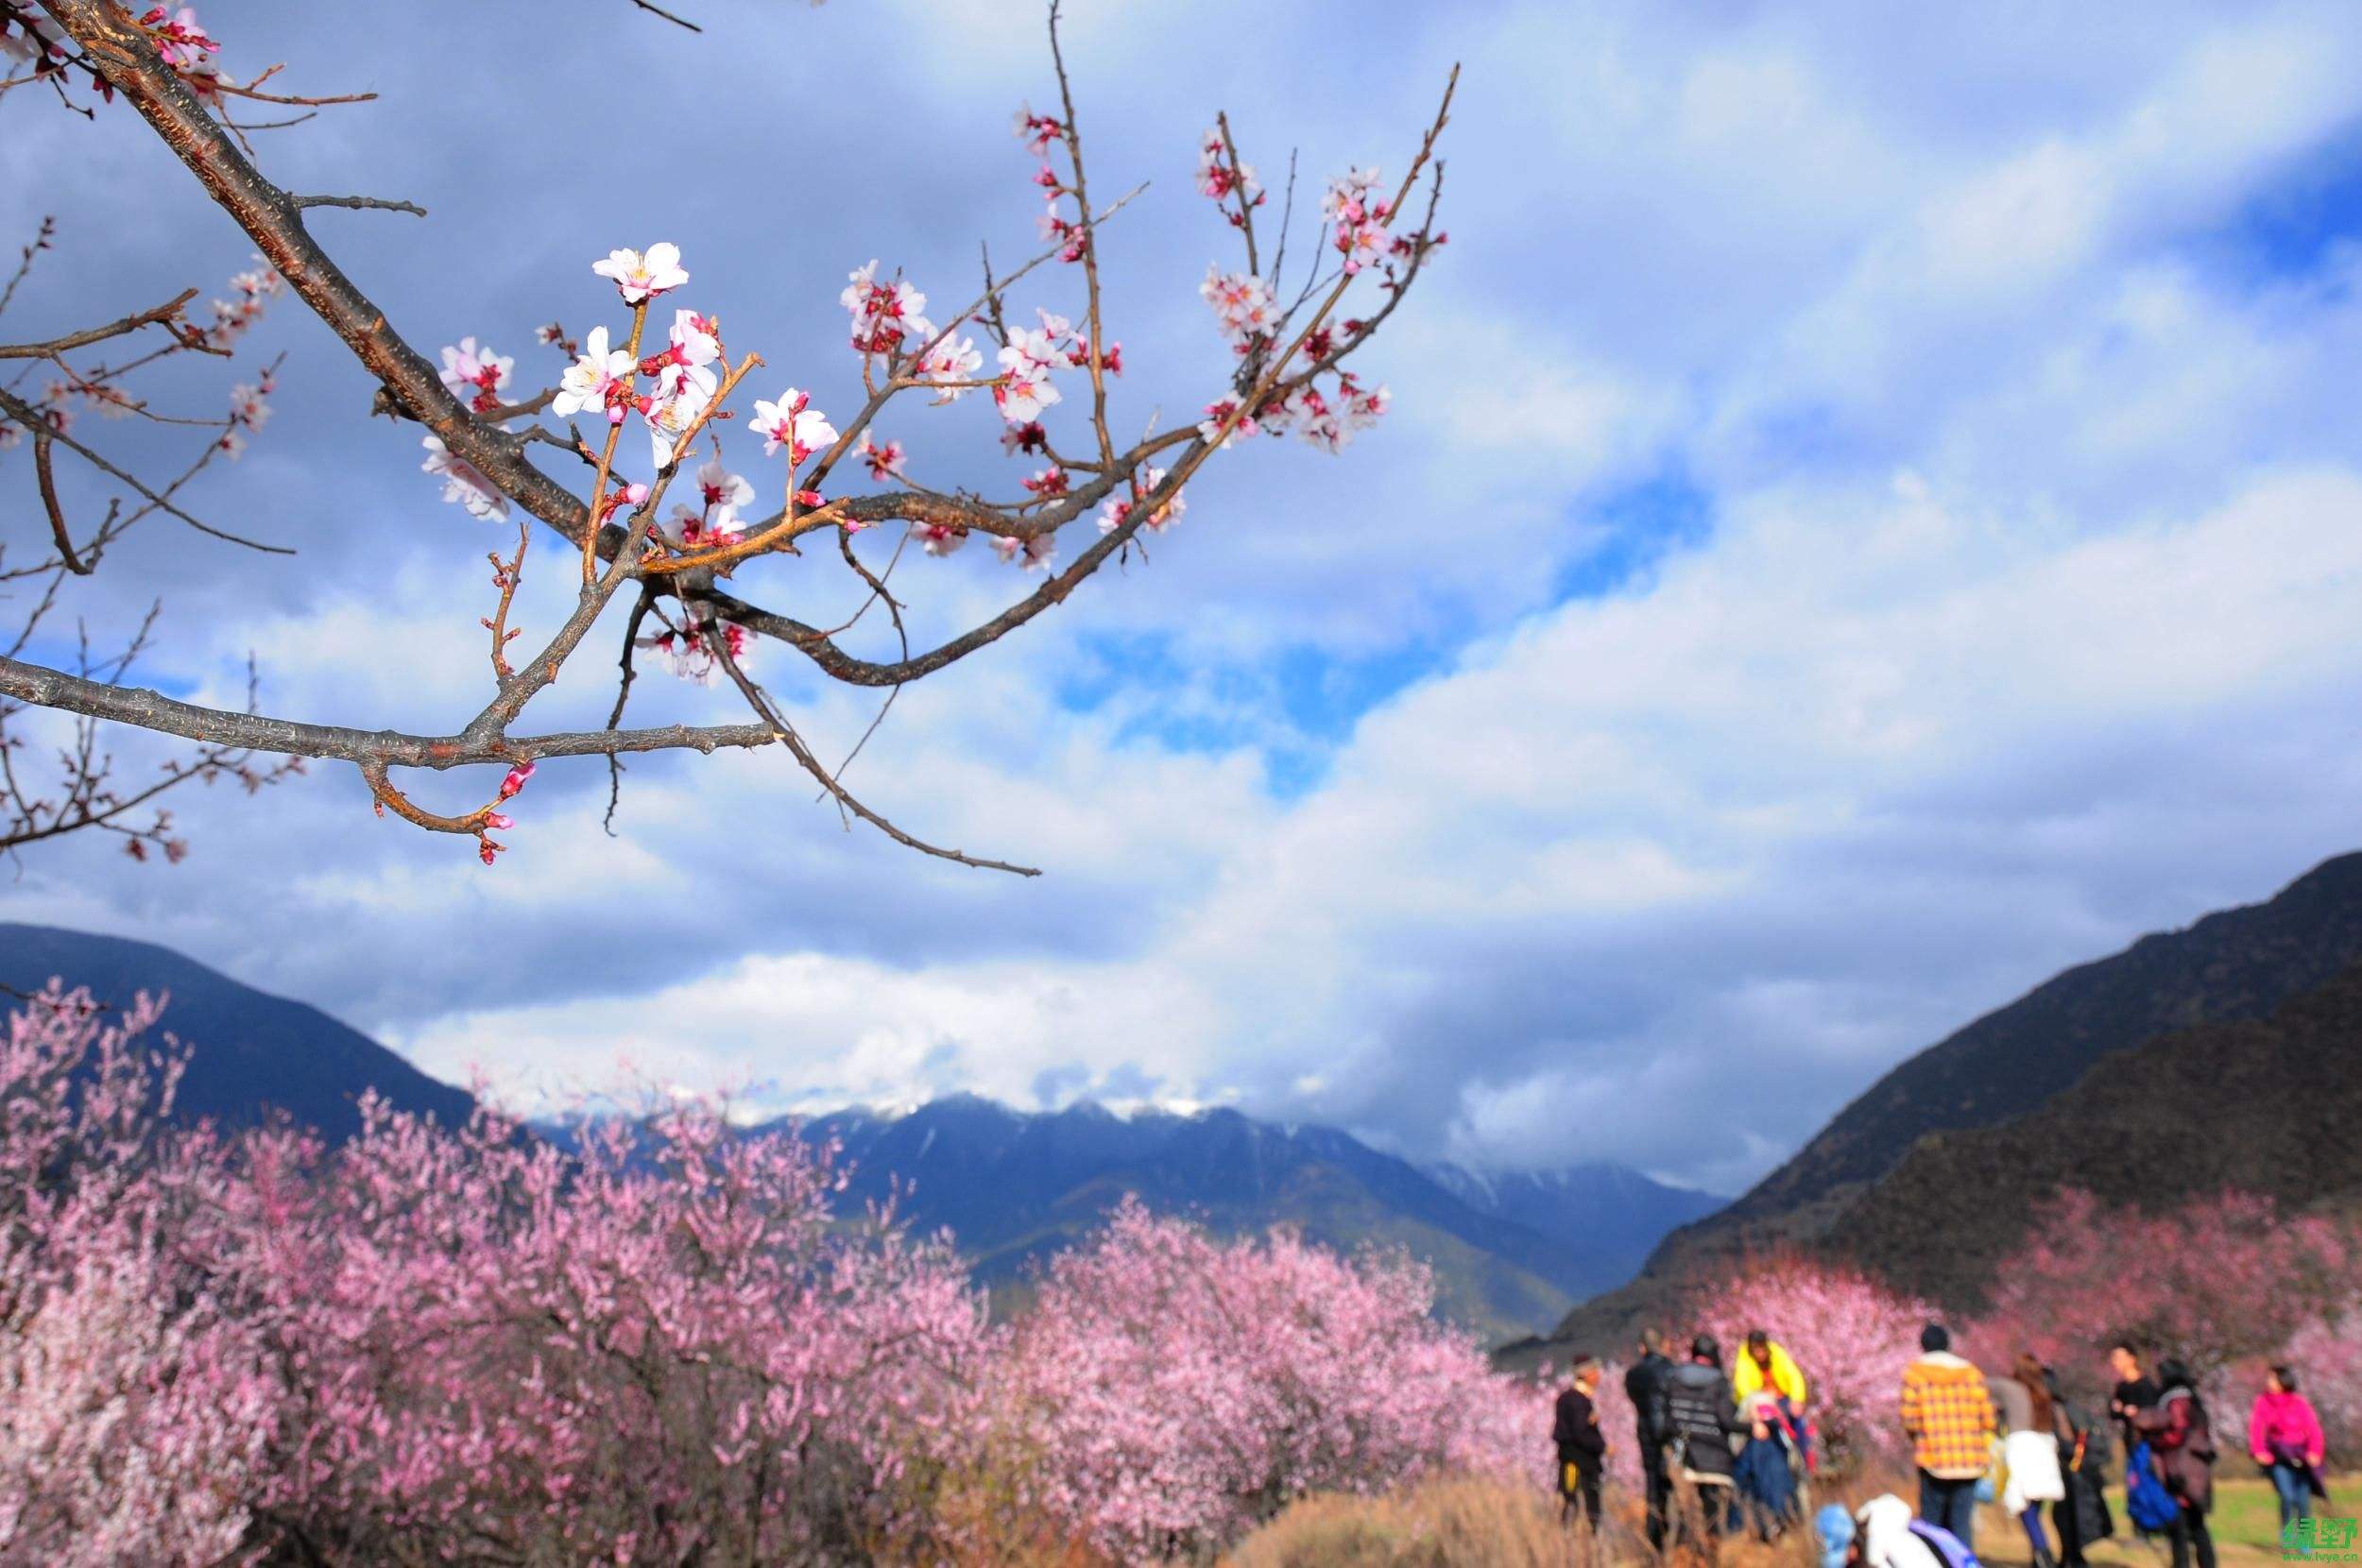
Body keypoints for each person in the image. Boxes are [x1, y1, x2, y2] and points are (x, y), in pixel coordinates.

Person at [1899, 1322, 1994, 1553]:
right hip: (1969, 1461)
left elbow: (1910, 1419)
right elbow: (1988, 1419)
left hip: (1933, 1458)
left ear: (1923, 1346)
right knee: (1961, 1525)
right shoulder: (1971, 1373)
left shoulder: (1914, 1374)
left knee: (1933, 1527)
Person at [1656, 1333, 1748, 1546]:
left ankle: (1686, 1554)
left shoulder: (1673, 1378)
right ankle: (1712, 1553)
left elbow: (1666, 1421)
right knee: (1713, 1515)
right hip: (1715, 1457)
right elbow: (1727, 1421)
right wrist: (1755, 1427)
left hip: (1685, 1455)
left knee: (1685, 1513)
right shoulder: (1719, 1382)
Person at [2133, 1357, 2219, 1568]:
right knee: (2196, 1523)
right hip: (2194, 1468)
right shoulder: (2191, 1398)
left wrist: (2155, 1440)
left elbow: (2177, 1433)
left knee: (2179, 1526)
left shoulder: (2175, 1400)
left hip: (2179, 1469)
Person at [1991, 1352, 2068, 1568]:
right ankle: (2039, 1556)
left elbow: (1981, 1384)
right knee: (2035, 1507)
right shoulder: (2044, 1392)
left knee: (2024, 1507)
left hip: (2023, 1452)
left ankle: (2043, 1555)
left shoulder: (2010, 1388)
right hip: (2045, 1450)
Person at [2045, 1365, 2114, 1568]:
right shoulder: (2068, 1406)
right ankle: (2071, 1557)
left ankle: (2072, 1558)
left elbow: (2069, 1443)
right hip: (2078, 1472)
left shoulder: (2058, 1409)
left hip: (2072, 1471)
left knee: (2066, 1516)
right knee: (2067, 1516)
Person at [2249, 1363, 2328, 1536]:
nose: (2269, 1382)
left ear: (2284, 1381)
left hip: (2302, 1457)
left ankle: (2305, 1539)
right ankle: (2287, 1532)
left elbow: (2314, 1430)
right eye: (2268, 1378)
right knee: (2287, 1496)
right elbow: (2256, 1428)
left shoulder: (2300, 1403)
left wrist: (2315, 1452)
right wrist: (2259, 1451)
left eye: (2273, 1378)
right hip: (2279, 1457)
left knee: (2302, 1502)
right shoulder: (2262, 1402)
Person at [1625, 1328, 1677, 1551]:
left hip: (1646, 1435)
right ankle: (1680, 1536)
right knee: (1676, 1486)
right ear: (1664, 1344)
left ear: (1642, 1348)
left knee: (1653, 1488)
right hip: (1673, 1436)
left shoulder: (1633, 1375)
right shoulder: (1672, 1371)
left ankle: (1655, 1538)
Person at [1554, 1354, 1609, 1532]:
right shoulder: (1577, 1400)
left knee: (1571, 1501)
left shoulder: (1567, 1398)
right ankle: (1584, 1542)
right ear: (1585, 1374)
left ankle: (1570, 1541)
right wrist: (1602, 1446)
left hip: (1572, 1462)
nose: (1598, 1376)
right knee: (1581, 1504)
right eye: (1595, 1371)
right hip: (1580, 1464)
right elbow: (1580, 1433)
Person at [2109, 1342, 2160, 1461]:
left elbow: (2153, 1412)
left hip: (2147, 1442)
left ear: (2132, 1358)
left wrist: (2137, 1412)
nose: (2115, 1362)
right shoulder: (2121, 1387)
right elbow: (2114, 1412)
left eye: (2119, 1358)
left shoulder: (2146, 1385)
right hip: (2130, 1441)